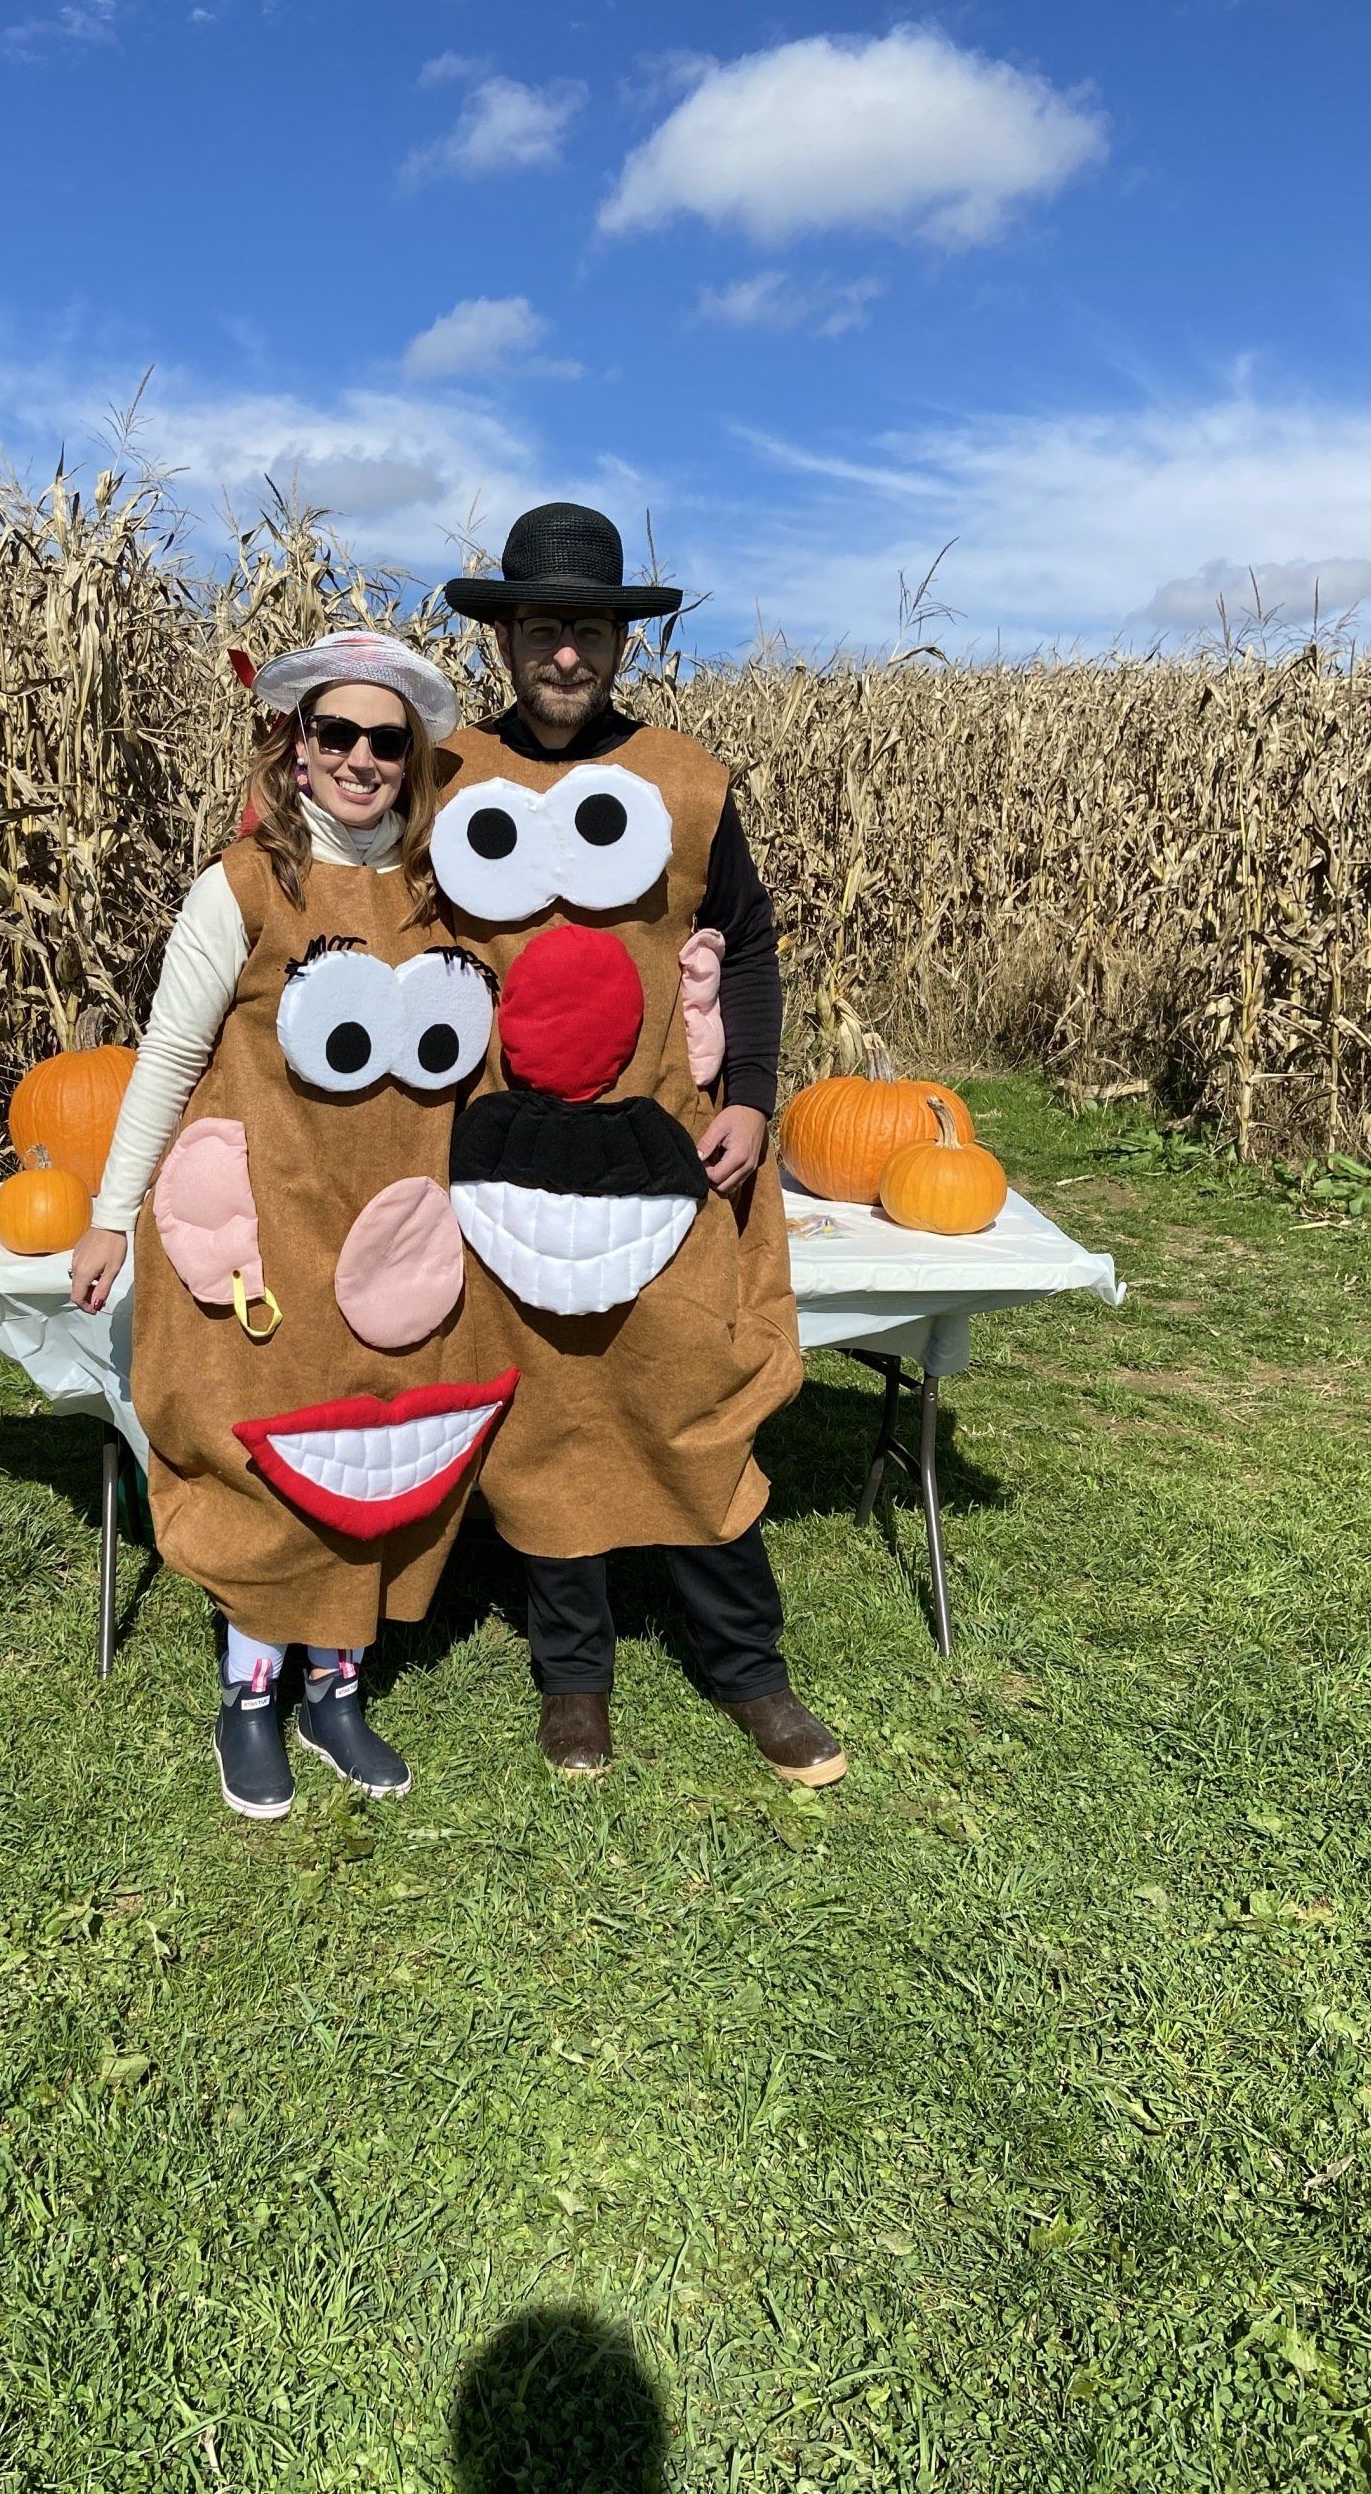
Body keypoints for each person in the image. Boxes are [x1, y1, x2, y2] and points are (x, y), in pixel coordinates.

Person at [434, 502, 844, 1787]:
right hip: (510, 1156)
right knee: (550, 1406)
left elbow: (755, 942)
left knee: (689, 1389)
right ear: (505, 634)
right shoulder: (447, 775)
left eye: (592, 631)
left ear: (624, 642)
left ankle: (749, 1668)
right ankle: (575, 1677)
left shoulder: (683, 778)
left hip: (669, 1143)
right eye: (544, 626)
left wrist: (757, 1096)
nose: (567, 654)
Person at [71, 633, 515, 1821]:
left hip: (396, 1231)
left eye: (387, 740)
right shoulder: (244, 884)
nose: (362, 760)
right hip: (271, 1226)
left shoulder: (447, 890)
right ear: (297, 747)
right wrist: (113, 1214)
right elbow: (168, 1054)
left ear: (412, 758)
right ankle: (250, 1698)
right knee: (270, 1444)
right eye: (337, 735)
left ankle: (336, 1688)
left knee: (377, 1441)